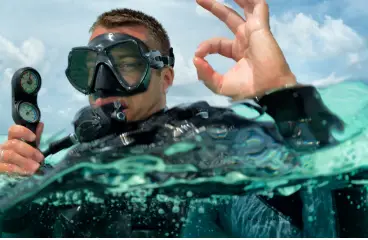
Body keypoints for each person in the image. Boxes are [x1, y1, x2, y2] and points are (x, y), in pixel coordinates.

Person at [0, 0, 354, 238]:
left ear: (165, 77)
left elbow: (321, 222)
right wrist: (19, 188)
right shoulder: (74, 159)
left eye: (126, 64)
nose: (102, 84)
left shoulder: (205, 142)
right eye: (90, 69)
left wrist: (283, 97)